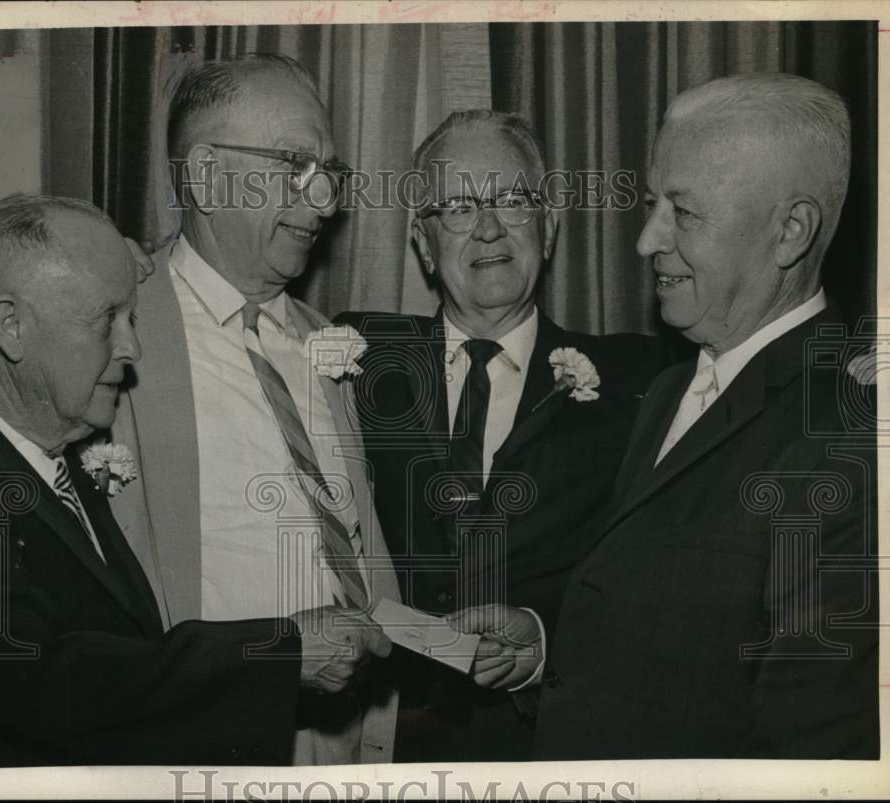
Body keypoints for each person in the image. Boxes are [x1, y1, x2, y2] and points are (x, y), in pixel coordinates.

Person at [453, 73, 879, 759]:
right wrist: (541, 642)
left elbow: (814, 747)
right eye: (652, 204)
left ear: (790, 231)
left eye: (682, 211)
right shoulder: (668, 388)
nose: (647, 240)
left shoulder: (852, 435)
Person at [0, 193, 391, 770]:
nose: (133, 347)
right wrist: (280, 651)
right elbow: (40, 681)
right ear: (11, 327)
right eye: (107, 321)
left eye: (132, 318)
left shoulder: (55, 461)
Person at [336, 109, 664, 761]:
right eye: (457, 207)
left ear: (548, 224)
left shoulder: (641, 379)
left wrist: (544, 639)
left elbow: (654, 582)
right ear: (424, 244)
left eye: (512, 201)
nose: (488, 228)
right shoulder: (356, 355)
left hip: (551, 749)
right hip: (386, 749)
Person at [108, 56, 400, 764]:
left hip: (347, 740)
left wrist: (460, 642)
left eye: (330, 168)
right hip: (205, 741)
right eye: (294, 163)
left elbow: (359, 557)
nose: (325, 198)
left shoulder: (317, 337)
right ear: (205, 176)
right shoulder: (118, 329)